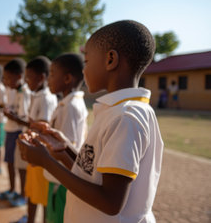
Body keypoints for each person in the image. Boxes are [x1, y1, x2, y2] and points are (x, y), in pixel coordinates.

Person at [18, 20, 164, 222]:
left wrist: (46, 162)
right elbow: (94, 174)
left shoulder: (126, 117)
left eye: (86, 61)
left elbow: (110, 202)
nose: (84, 70)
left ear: (110, 59)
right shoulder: (115, 111)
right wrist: (64, 150)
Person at [31, 53, 89, 223]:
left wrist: (40, 149)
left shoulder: (70, 107)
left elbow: (65, 147)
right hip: (58, 177)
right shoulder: (65, 103)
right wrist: (44, 132)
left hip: (61, 180)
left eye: (52, 74)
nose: (48, 79)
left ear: (67, 78)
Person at [19, 56, 58, 223]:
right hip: (34, 153)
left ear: (41, 78)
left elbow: (44, 126)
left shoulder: (46, 99)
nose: (26, 81)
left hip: (41, 155)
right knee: (33, 193)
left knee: (42, 197)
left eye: (29, 77)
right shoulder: (37, 95)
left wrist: (31, 127)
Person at [0, 58, 31, 207]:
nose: (6, 81)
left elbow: (24, 117)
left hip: (19, 132)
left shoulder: (24, 92)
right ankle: (12, 189)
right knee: (10, 162)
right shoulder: (12, 91)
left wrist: (11, 116)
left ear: (18, 76)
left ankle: (23, 195)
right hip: (10, 130)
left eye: (8, 78)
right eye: (4, 78)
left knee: (21, 166)